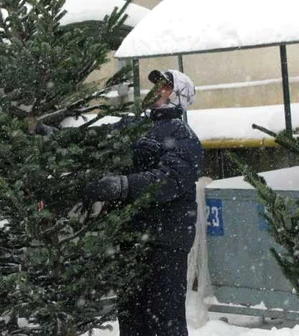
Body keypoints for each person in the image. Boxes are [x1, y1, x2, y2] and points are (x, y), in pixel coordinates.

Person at [81, 69, 203, 336]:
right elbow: (92, 141)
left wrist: (123, 185)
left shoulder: (184, 136)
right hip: (131, 239)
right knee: (132, 319)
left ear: (179, 96)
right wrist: (53, 134)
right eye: (156, 85)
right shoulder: (133, 126)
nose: (156, 90)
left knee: (164, 319)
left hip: (166, 242)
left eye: (165, 87)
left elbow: (168, 181)